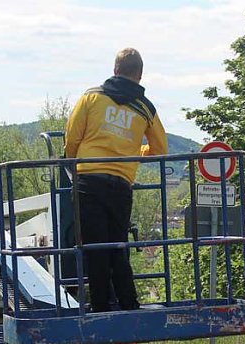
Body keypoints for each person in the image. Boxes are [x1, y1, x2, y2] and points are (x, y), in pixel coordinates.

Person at [64, 48, 168, 312]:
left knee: (95, 246)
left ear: (115, 70)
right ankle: (128, 303)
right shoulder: (145, 108)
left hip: (88, 178)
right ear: (140, 75)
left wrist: (73, 169)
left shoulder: (91, 97)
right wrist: (136, 152)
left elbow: (72, 138)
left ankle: (100, 306)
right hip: (121, 183)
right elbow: (160, 151)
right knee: (118, 244)